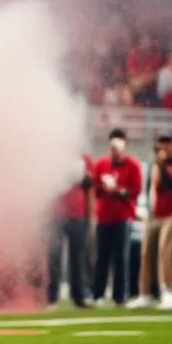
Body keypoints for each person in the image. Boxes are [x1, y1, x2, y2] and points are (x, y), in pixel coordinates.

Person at [90, 128, 143, 308]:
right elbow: (95, 189)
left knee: (121, 258)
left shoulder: (133, 165)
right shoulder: (101, 165)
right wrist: (103, 188)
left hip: (123, 217)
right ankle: (98, 294)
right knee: (101, 258)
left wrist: (118, 191)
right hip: (104, 217)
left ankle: (120, 297)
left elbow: (135, 191)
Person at [131, 135, 172, 309]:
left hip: (169, 216)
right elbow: (151, 188)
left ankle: (167, 291)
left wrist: (163, 166)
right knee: (146, 253)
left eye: (167, 143)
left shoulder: (167, 165)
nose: (163, 147)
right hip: (153, 215)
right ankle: (144, 293)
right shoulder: (153, 164)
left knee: (165, 252)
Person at [49, 155, 92, 309]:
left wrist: (89, 216)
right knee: (54, 257)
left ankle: (80, 296)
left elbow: (90, 186)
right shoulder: (52, 155)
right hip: (56, 213)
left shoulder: (84, 158)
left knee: (78, 257)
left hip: (77, 214)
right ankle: (51, 297)